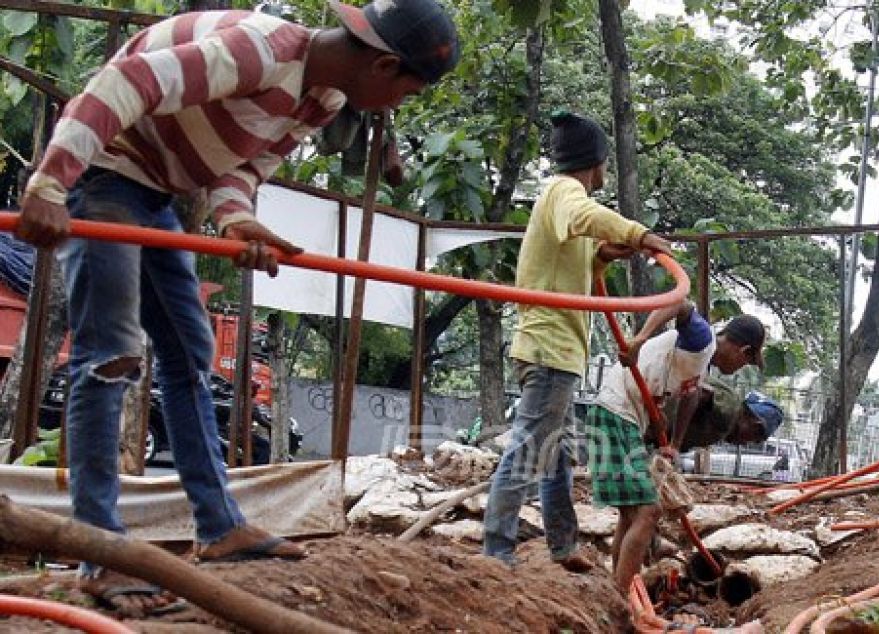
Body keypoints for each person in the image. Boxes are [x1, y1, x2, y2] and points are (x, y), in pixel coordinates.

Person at [15, 0, 459, 609]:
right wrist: (50, 182)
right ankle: (100, 553)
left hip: (154, 191)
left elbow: (244, 166)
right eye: (407, 93)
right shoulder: (262, 49)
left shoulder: (323, 98)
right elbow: (128, 82)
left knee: (192, 355)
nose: (398, 107)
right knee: (110, 355)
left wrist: (239, 220)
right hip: (104, 172)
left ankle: (219, 526)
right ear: (383, 66)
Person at [481, 111, 672, 571]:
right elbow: (583, 215)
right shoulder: (565, 191)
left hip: (555, 350)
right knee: (529, 446)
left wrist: (608, 252)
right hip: (550, 350)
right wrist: (637, 234)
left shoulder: (559, 203)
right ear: (597, 161)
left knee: (558, 454)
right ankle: (497, 551)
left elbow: (582, 249)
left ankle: (563, 545)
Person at [587, 309, 778, 592]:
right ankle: (624, 598)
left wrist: (670, 439)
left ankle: (618, 591)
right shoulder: (703, 340)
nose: (740, 369)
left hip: (623, 417)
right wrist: (637, 341)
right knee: (648, 512)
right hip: (617, 413)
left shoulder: (701, 366)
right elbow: (680, 303)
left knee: (632, 515)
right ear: (743, 350)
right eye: (746, 362)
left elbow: (691, 393)